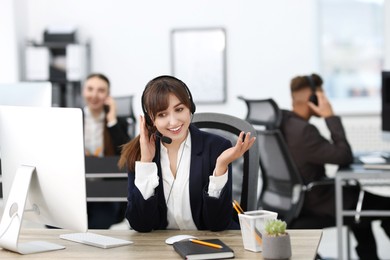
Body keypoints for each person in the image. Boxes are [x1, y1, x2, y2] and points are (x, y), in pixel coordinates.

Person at [118, 75, 256, 232]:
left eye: (179, 109)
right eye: (162, 114)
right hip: (160, 248)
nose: (174, 121)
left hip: (208, 246)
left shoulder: (217, 147)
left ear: (190, 107)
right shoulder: (138, 152)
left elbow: (218, 224)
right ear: (151, 119)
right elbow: (140, 225)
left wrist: (221, 167)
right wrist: (146, 162)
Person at [280, 73, 390, 259]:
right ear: (313, 99)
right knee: (383, 205)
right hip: (318, 200)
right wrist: (330, 115)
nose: (326, 100)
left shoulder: (285, 124)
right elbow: (344, 156)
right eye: (323, 95)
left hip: (300, 198)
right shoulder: (304, 131)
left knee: (359, 204)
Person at [82, 73, 131, 229]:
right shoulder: (72, 118)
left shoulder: (118, 122)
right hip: (77, 189)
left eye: (101, 90)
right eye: (90, 89)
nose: (94, 95)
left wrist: (112, 120)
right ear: (83, 91)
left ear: (108, 96)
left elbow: (126, 153)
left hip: (105, 192)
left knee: (98, 227)